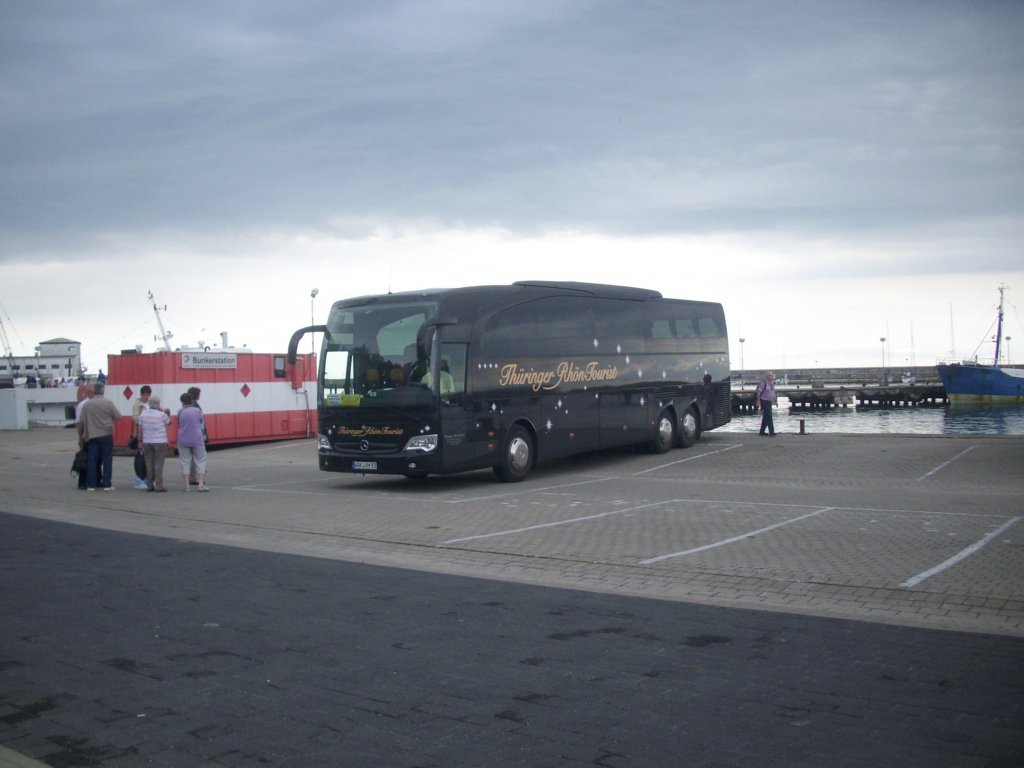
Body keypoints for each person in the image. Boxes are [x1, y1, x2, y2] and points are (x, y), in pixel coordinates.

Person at [77, 382, 121, 490]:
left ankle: (91, 484)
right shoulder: (108, 403)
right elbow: (118, 416)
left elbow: (81, 421)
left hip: (91, 435)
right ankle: (107, 484)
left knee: (92, 460)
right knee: (107, 460)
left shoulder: (87, 404)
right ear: (103, 391)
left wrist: (81, 438)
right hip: (106, 434)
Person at [138, 395, 171, 492]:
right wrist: (165, 412)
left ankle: (149, 485)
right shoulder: (161, 415)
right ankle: (159, 485)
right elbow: (169, 422)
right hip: (160, 441)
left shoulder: (143, 414)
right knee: (158, 463)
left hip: (147, 441)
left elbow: (140, 428)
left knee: (149, 463)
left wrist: (140, 441)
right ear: (157, 404)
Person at [177, 392, 209, 491]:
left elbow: (179, 422)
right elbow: (201, 423)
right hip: (197, 439)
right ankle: (200, 484)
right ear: (191, 401)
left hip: (183, 439)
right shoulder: (197, 411)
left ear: (182, 402)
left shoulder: (180, 411)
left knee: (185, 462)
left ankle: (186, 485)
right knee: (201, 461)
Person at [130, 385, 153, 489]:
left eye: (148, 395)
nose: (147, 397)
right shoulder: (137, 405)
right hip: (141, 432)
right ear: (141, 394)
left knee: (149, 457)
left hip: (150, 432)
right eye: (145, 395)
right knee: (141, 456)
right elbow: (135, 418)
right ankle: (139, 479)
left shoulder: (150, 404)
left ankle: (148, 478)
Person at [73, 383, 95, 489]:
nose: (93, 394)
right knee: (84, 459)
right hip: (86, 436)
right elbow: (78, 423)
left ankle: (93, 480)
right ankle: (82, 482)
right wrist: (80, 438)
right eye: (91, 392)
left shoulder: (95, 403)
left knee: (95, 460)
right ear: (87, 392)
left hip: (94, 435)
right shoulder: (82, 405)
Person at [186, 386, 207, 485]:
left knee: (189, 458)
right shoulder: (195, 407)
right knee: (199, 457)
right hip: (196, 435)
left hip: (187, 435)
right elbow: (200, 421)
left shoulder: (186, 406)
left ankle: (191, 477)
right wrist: (203, 433)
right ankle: (198, 478)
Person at [757, 371, 777, 437]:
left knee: (766, 417)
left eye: (772, 375)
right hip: (764, 401)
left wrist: (775, 401)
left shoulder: (772, 383)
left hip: (769, 401)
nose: (772, 376)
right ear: (767, 376)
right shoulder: (763, 383)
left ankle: (762, 431)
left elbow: (773, 392)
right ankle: (771, 431)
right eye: (770, 375)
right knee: (769, 416)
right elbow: (759, 393)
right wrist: (758, 402)